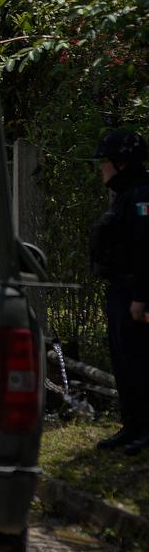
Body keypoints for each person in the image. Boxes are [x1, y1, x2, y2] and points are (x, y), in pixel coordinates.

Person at [90, 128, 149, 455]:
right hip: (121, 291)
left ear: (122, 163)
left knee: (140, 361)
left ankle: (144, 428)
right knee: (125, 361)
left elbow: (145, 249)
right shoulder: (127, 196)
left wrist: (141, 297)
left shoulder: (142, 197)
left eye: (106, 162)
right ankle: (132, 426)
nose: (102, 168)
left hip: (135, 295)